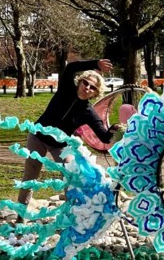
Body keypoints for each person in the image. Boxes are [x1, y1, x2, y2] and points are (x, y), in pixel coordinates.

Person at [18, 58, 121, 205]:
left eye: (93, 88)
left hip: (60, 145)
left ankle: (70, 215)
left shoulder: (88, 112)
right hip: (38, 137)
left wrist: (116, 129)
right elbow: (71, 67)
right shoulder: (66, 89)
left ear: (95, 94)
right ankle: (20, 217)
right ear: (80, 82)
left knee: (71, 176)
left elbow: (104, 137)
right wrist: (95, 64)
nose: (87, 88)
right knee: (31, 176)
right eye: (86, 83)